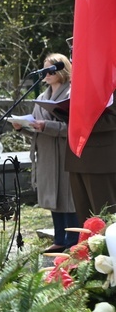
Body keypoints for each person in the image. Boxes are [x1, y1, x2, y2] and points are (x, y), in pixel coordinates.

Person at [12, 54, 78, 251]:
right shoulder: (41, 97)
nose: (47, 74)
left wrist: (46, 126)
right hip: (47, 154)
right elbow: (36, 129)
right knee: (53, 196)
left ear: (62, 69)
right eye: (44, 69)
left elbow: (74, 128)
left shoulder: (72, 94)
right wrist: (21, 127)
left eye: (51, 69)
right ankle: (59, 240)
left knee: (68, 198)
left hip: (66, 152)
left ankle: (73, 241)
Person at [65, 91, 116, 224]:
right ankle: (88, 245)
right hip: (77, 157)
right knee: (85, 221)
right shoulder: (81, 78)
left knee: (105, 217)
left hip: (101, 160)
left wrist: (83, 120)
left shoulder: (110, 76)